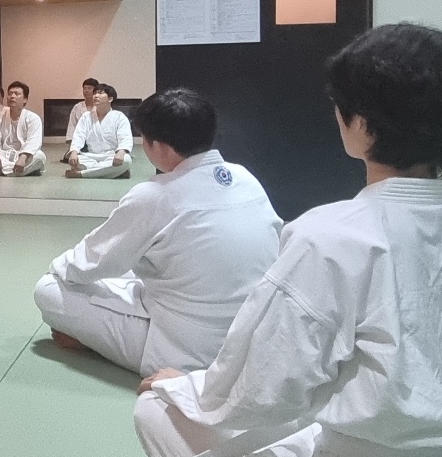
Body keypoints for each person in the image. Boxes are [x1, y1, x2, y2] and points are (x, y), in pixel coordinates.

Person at [132, 23, 442, 457]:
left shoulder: (329, 236)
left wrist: (181, 386)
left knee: (156, 409)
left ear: (361, 123)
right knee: (315, 421)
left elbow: (259, 393)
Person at [33, 88, 281, 375]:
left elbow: (88, 261)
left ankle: (94, 341)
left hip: (187, 347)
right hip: (252, 335)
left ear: (159, 146)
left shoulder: (154, 195)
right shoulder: (245, 177)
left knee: (49, 289)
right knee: (132, 264)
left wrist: (57, 269)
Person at [65, 83, 133, 178]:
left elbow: (125, 137)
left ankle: (82, 174)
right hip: (91, 156)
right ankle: (112, 172)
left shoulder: (119, 117)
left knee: (126, 160)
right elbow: (78, 135)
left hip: (111, 156)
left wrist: (121, 153)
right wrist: (74, 152)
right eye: (95, 93)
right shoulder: (86, 116)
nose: (96, 96)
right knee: (75, 160)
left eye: (100, 93)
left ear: (110, 99)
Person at [0, 81, 45, 177]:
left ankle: (3, 172)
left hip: (22, 155)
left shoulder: (33, 118)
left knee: (40, 157)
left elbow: (34, 141)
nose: (12, 96)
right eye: (10, 94)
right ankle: (18, 172)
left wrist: (23, 157)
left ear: (25, 99)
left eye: (16, 94)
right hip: (3, 155)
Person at [65, 77, 98, 142]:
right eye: (84, 88)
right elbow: (72, 124)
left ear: (96, 90)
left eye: (89, 88)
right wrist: (70, 139)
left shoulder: (101, 106)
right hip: (80, 139)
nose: (86, 91)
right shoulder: (77, 107)